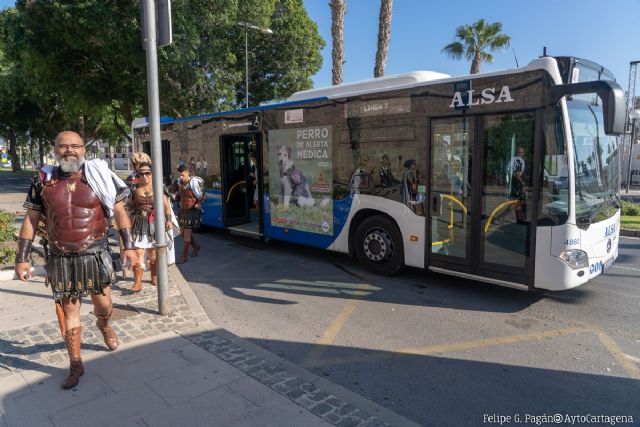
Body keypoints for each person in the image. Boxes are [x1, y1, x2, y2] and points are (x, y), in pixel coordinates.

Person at [14, 131, 139, 390]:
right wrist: (22, 258)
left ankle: (104, 325)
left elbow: (119, 211)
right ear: (55, 149)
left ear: (83, 149)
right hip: (60, 257)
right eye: (63, 146)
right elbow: (31, 219)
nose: (69, 150)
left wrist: (129, 246)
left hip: (95, 253)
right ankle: (76, 364)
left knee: (104, 305)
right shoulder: (42, 181)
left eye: (74, 146)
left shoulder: (99, 176)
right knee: (70, 311)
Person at [129, 159, 173, 291]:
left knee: (153, 252)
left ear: (152, 174)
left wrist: (169, 220)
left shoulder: (160, 190)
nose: (144, 176)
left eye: (147, 173)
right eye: (141, 174)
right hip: (139, 224)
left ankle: (154, 276)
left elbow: (166, 207)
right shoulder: (134, 191)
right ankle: (138, 282)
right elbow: (129, 207)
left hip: (154, 224)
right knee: (138, 251)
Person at [175, 164, 205, 264]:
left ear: (188, 173)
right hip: (182, 211)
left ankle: (184, 257)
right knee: (182, 233)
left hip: (192, 211)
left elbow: (203, 195)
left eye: (183, 175)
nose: (181, 177)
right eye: (180, 175)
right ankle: (196, 246)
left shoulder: (195, 182)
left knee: (187, 234)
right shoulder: (179, 182)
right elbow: (175, 193)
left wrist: (200, 203)